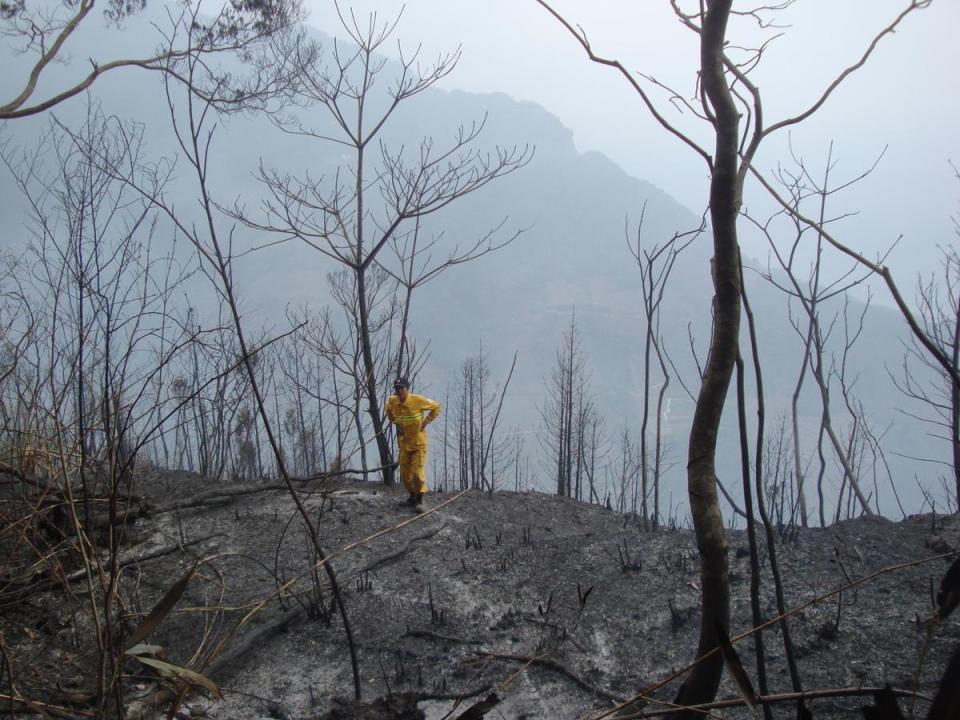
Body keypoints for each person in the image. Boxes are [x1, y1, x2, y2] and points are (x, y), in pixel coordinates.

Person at [385, 377, 441, 511]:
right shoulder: (393, 401)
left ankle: (420, 499)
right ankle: (412, 497)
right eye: (397, 389)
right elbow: (388, 410)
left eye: (401, 389)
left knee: (417, 473)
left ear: (407, 389)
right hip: (405, 443)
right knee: (405, 473)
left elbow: (437, 407)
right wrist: (395, 422)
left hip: (418, 443)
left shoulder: (417, 400)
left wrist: (427, 421)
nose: (399, 391)